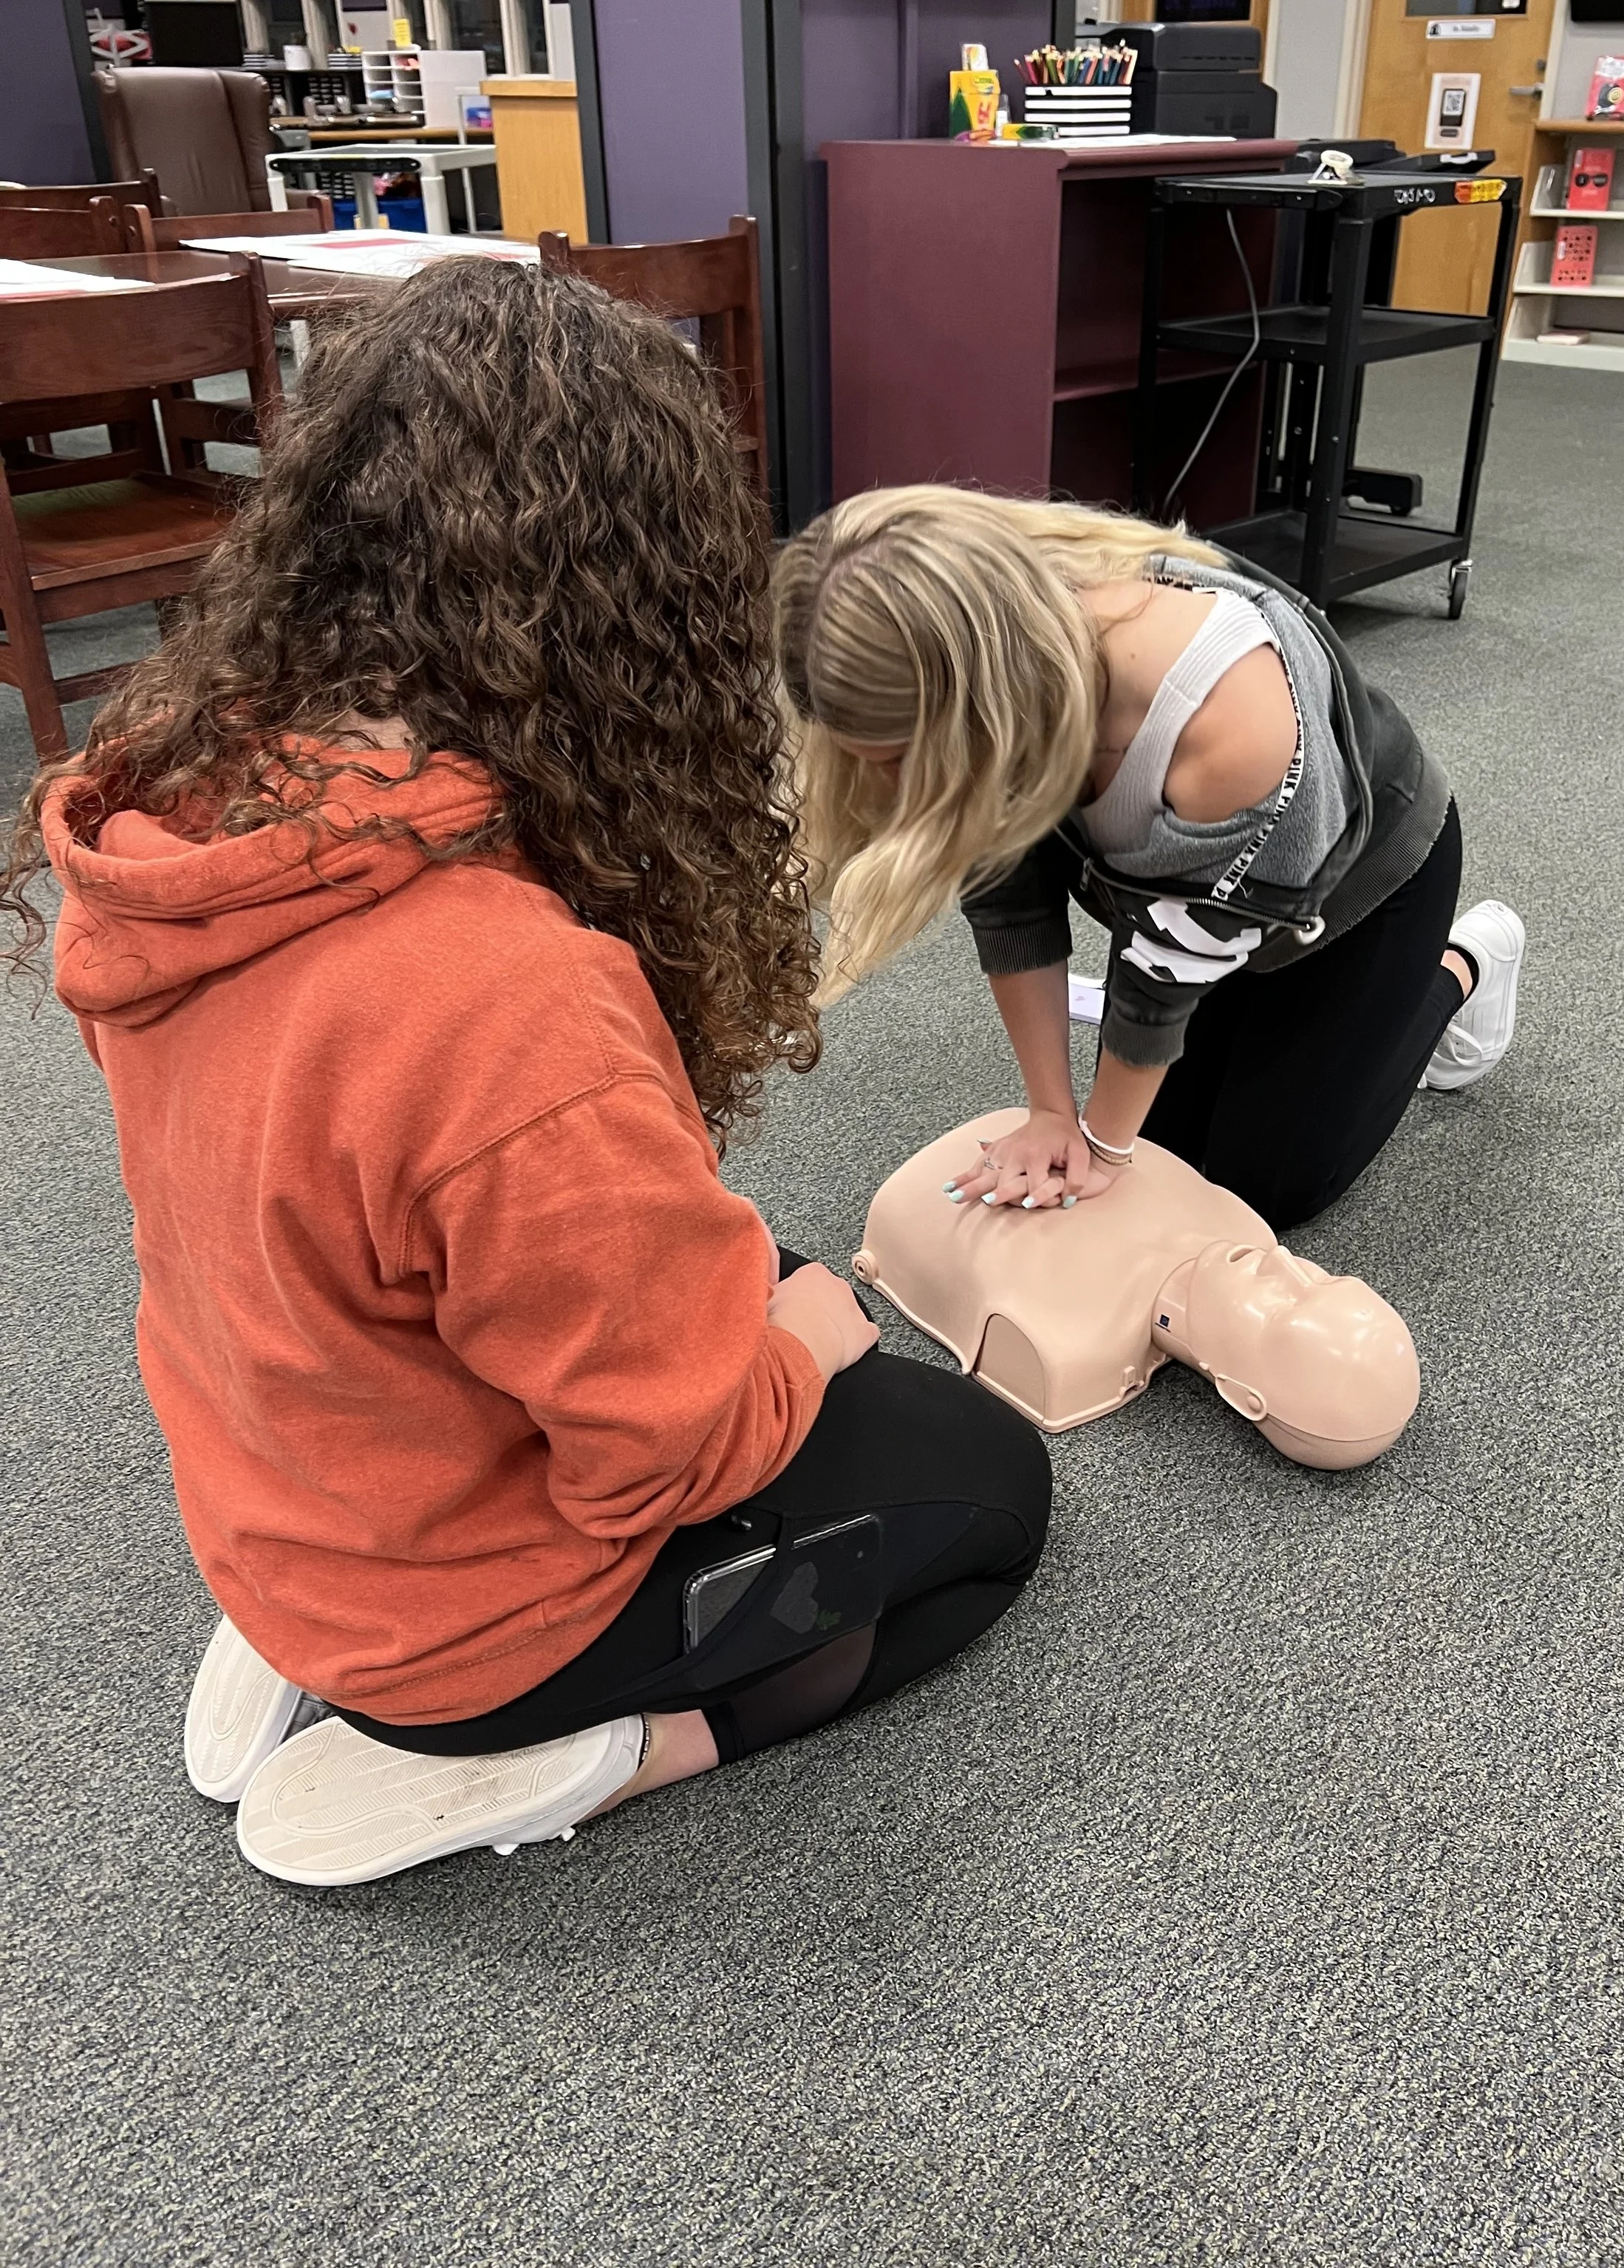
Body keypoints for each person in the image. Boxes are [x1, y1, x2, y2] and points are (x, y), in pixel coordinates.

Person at [4, 265, 1049, 1890]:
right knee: (983, 1484)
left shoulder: (187, 815)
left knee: (725, 1256)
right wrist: (808, 1344)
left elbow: (368, 1189)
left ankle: (320, 1628)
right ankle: (599, 1751)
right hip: (466, 1618)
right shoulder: (504, 998)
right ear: (647, 607)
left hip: (278, 1476)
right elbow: (673, 1457)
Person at [774, 485, 1525, 1230]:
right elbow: (1008, 895)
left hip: (1358, 894)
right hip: (1190, 904)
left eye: (898, 759)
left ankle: (1461, 968)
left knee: (1263, 1185)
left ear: (980, 702)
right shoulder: (997, 641)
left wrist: (1098, 1147)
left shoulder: (1227, 725)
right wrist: (1049, 1113)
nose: (891, 790)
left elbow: (1157, 988)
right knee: (1168, 1151)